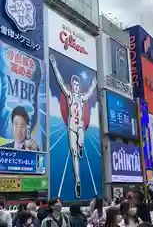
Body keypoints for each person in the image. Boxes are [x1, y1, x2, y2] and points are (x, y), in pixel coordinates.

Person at [49, 54, 97, 198]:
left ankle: (81, 146)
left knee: (81, 142)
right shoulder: (69, 95)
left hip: (80, 126)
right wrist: (54, 65)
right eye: (74, 85)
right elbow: (60, 81)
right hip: (71, 127)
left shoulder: (81, 97)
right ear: (72, 85)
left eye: (77, 85)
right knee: (74, 154)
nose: (76, 87)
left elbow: (90, 92)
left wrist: (94, 83)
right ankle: (78, 181)